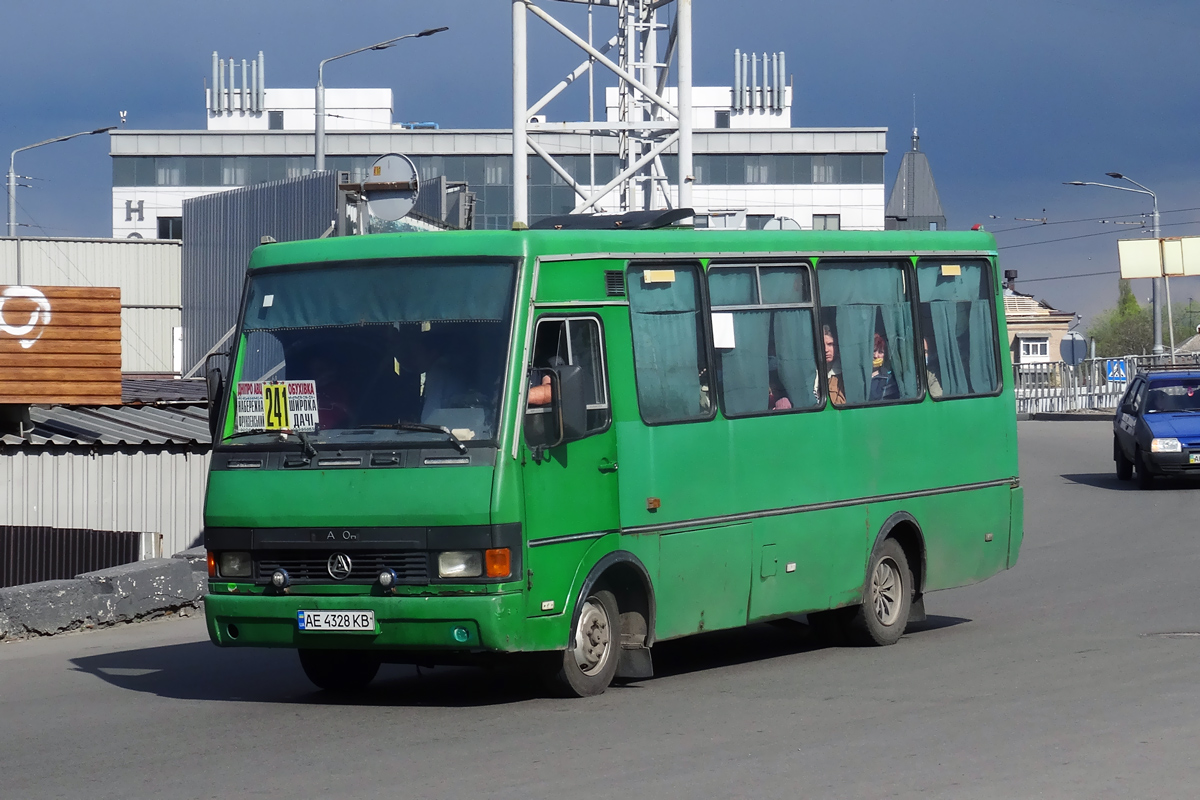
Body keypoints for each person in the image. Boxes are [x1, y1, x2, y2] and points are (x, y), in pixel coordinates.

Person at [818, 324, 846, 405]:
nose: (826, 350)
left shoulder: (843, 375)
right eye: (822, 345)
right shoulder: (811, 372)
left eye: (830, 344)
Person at [869, 332, 899, 401]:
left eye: (880, 352)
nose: (876, 356)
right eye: (873, 351)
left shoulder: (888, 379)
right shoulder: (858, 377)